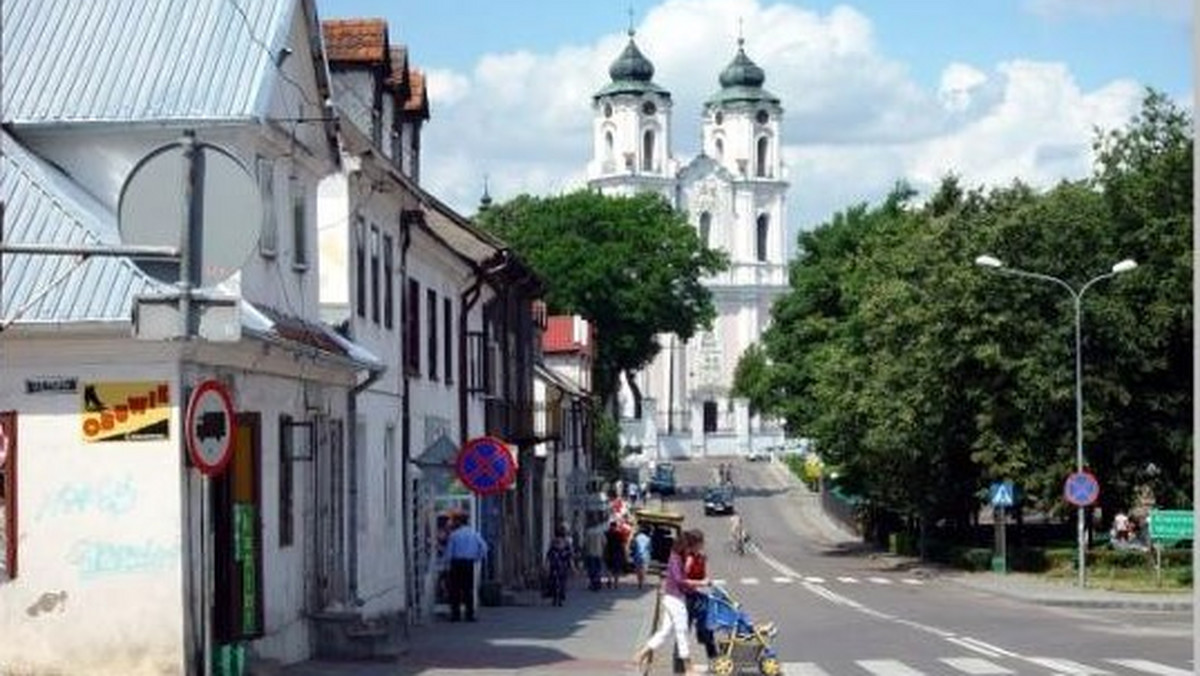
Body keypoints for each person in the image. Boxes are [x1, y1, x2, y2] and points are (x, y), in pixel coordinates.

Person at [634, 530, 709, 675]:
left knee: (664, 631)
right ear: (692, 544)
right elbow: (680, 580)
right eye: (700, 544)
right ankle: (688, 669)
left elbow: (684, 577)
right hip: (675, 599)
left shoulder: (680, 556)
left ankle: (640, 655)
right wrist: (701, 583)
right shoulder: (676, 558)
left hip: (673, 597)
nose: (701, 547)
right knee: (682, 632)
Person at [682, 529, 719, 665]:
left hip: (696, 596)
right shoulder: (689, 559)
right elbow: (683, 581)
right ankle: (681, 662)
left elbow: (702, 577)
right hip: (685, 598)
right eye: (701, 542)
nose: (704, 544)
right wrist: (701, 583)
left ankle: (713, 657)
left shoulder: (700, 558)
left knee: (706, 625)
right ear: (695, 543)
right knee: (684, 628)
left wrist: (707, 581)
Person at [444, 511, 488, 622]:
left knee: (455, 590)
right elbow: (484, 547)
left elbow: (449, 552)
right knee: (468, 589)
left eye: (454, 521)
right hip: (469, 563)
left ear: (458, 522)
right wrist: (477, 557)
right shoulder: (474, 533)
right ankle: (469, 615)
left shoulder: (454, 535)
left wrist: (447, 564)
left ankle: (456, 614)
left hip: (456, 563)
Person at [545, 525, 573, 606]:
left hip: (554, 566)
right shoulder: (566, 544)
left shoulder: (553, 543)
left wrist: (546, 565)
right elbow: (569, 557)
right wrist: (573, 567)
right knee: (562, 583)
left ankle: (555, 598)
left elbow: (549, 555)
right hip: (563, 567)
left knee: (554, 581)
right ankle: (560, 599)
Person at [604, 519, 626, 588]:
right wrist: (623, 554)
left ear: (610, 526)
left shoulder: (607, 533)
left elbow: (604, 543)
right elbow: (622, 544)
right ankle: (616, 583)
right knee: (617, 569)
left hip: (609, 552)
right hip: (617, 553)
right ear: (616, 526)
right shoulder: (619, 534)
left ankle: (609, 580)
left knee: (609, 568)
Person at [583, 522, 605, 591]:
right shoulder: (600, 532)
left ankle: (593, 583)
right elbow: (604, 542)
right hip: (599, 553)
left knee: (592, 569)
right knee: (598, 568)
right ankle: (598, 582)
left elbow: (585, 543)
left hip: (590, 553)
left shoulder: (588, 532)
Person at [631, 525, 652, 590]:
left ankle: (639, 581)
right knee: (643, 569)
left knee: (638, 569)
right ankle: (642, 582)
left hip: (637, 556)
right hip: (645, 556)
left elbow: (633, 547)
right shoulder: (648, 539)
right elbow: (650, 548)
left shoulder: (636, 538)